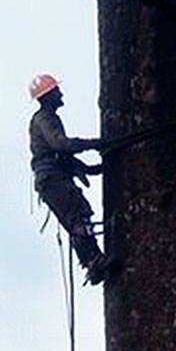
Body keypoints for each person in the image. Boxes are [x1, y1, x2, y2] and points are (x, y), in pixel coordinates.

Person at [28, 73, 113, 285]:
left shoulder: (48, 119)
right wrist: (94, 144)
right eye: (56, 90)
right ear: (48, 96)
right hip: (52, 178)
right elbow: (60, 145)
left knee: (77, 214)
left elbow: (64, 157)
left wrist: (95, 168)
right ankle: (93, 260)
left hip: (52, 177)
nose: (61, 94)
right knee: (77, 214)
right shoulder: (44, 119)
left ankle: (93, 261)